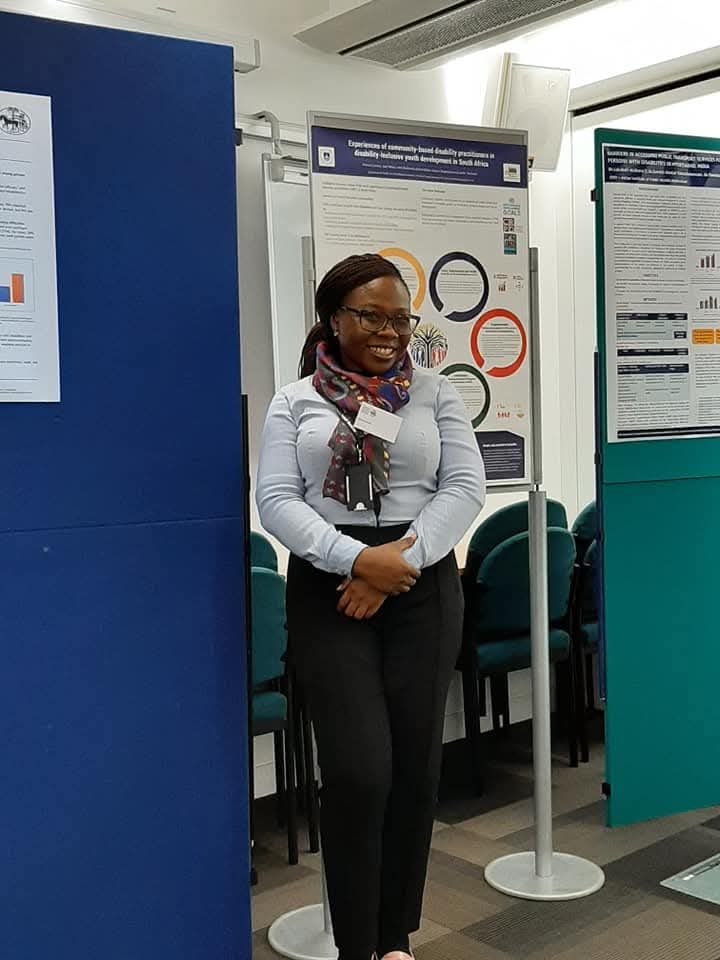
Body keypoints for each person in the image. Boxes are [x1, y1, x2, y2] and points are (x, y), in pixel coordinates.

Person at [256, 254, 486, 960]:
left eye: (400, 318)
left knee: (415, 769)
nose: (389, 331)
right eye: (371, 315)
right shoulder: (295, 401)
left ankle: (393, 941)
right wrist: (355, 561)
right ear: (334, 317)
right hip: (330, 591)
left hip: (421, 586)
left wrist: (397, 564)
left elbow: (465, 485)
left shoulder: (435, 394)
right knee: (359, 772)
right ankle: (357, 944)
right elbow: (275, 500)